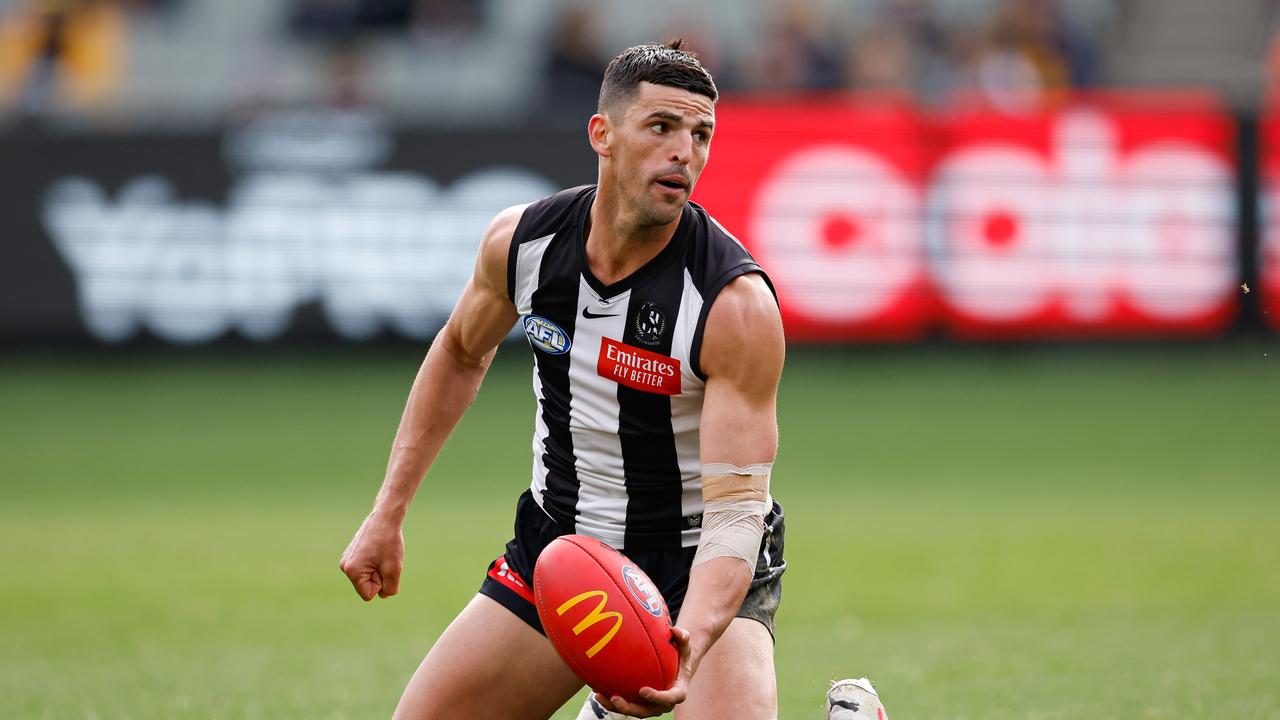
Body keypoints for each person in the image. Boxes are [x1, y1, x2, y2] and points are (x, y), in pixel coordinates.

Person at [340, 39, 789, 719]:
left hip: (696, 562)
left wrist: (685, 642)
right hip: (566, 553)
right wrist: (387, 513)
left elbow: (735, 511)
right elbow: (461, 354)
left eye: (701, 135)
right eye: (662, 127)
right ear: (602, 135)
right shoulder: (523, 245)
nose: (685, 153)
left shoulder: (734, 305)